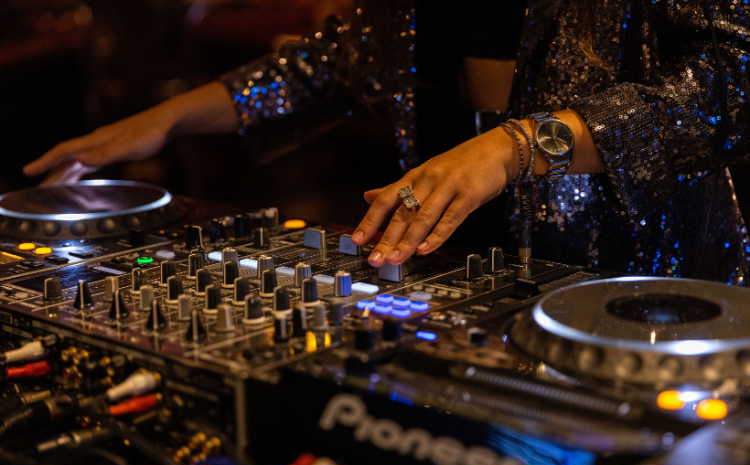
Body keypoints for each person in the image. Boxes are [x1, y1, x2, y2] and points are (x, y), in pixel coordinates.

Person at [22, 0, 750, 284]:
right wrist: (168, 118)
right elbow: (336, 63)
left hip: (643, 295)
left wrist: (518, 145)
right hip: (462, 279)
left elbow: (731, 85)